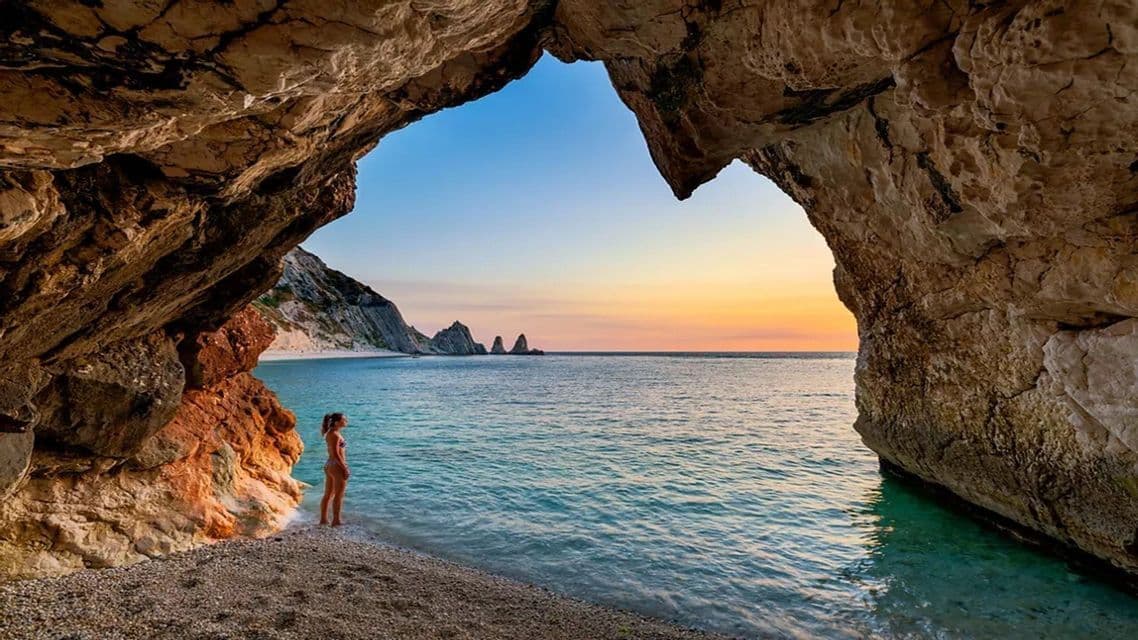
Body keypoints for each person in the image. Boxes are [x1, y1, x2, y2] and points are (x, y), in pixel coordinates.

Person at [319, 412, 349, 526]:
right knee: (338, 494)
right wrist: (345, 468)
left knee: (328, 494)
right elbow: (336, 454)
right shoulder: (335, 435)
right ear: (336, 422)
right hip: (336, 465)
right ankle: (336, 520)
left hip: (329, 465)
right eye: (344, 419)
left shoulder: (330, 433)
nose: (346, 421)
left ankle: (323, 519)